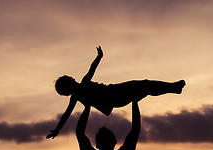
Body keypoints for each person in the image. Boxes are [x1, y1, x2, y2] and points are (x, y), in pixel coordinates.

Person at [47, 46, 185, 139]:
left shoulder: (84, 82)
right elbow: (66, 113)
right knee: (145, 86)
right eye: (68, 79)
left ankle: (173, 88)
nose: (71, 77)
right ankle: (173, 88)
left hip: (116, 92)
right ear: (68, 88)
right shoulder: (77, 95)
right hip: (116, 96)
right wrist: (58, 129)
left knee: (145, 87)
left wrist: (99, 57)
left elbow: (92, 69)